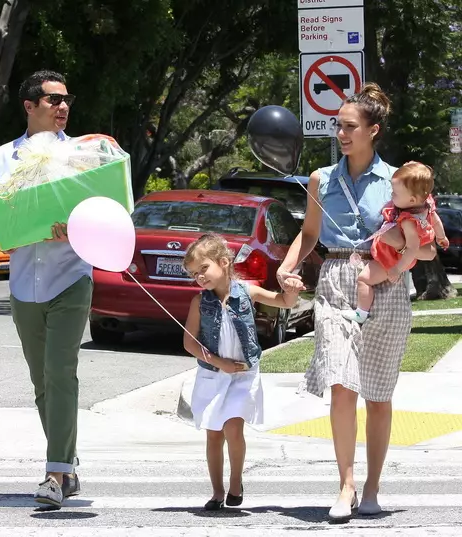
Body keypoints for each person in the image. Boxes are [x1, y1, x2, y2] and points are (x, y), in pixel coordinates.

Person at [276, 83, 436, 520]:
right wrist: (286, 266)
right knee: (341, 386)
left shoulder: (397, 181)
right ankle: (344, 485)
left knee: (378, 395)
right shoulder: (321, 179)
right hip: (335, 280)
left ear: (372, 130)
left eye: (349, 127)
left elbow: (426, 243)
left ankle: (372, 487)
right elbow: (309, 234)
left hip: (385, 281)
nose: (340, 134)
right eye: (337, 127)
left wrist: (405, 260)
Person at [0, 70, 92, 508]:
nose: (62, 107)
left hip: (71, 277)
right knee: (42, 381)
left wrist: (76, 226)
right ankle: (69, 464)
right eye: (53, 99)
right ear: (29, 105)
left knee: (61, 372)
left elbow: (105, 208)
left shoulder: (83, 156)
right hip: (23, 283)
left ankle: (55, 473)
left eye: (66, 99)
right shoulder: (2, 159)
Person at [183, 233, 304, 511]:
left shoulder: (247, 292)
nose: (200, 277)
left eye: (204, 269)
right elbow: (189, 342)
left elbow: (284, 302)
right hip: (213, 376)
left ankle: (236, 481)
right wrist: (217, 361)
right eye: (194, 274)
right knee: (214, 433)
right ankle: (217, 491)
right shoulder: (198, 303)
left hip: (243, 374)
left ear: (223, 263)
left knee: (233, 428)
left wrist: (292, 289)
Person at [342, 161, 449, 324]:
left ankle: (361, 313)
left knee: (363, 279)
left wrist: (397, 269)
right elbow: (435, 220)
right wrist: (441, 237)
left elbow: (412, 248)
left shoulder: (408, 221)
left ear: (412, 200)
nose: (391, 195)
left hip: (390, 259)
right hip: (393, 256)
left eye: (395, 194)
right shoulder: (427, 204)